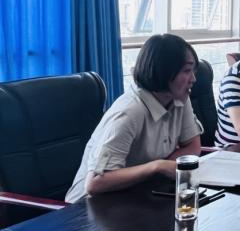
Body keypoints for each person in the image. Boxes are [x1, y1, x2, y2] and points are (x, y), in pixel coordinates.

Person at [65, 34, 203, 203]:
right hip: (87, 208)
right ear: (163, 71)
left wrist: (160, 169)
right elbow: (94, 184)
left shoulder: (179, 98)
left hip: (137, 195)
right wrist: (156, 167)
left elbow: (193, 146)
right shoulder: (129, 111)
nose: (193, 79)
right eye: (187, 71)